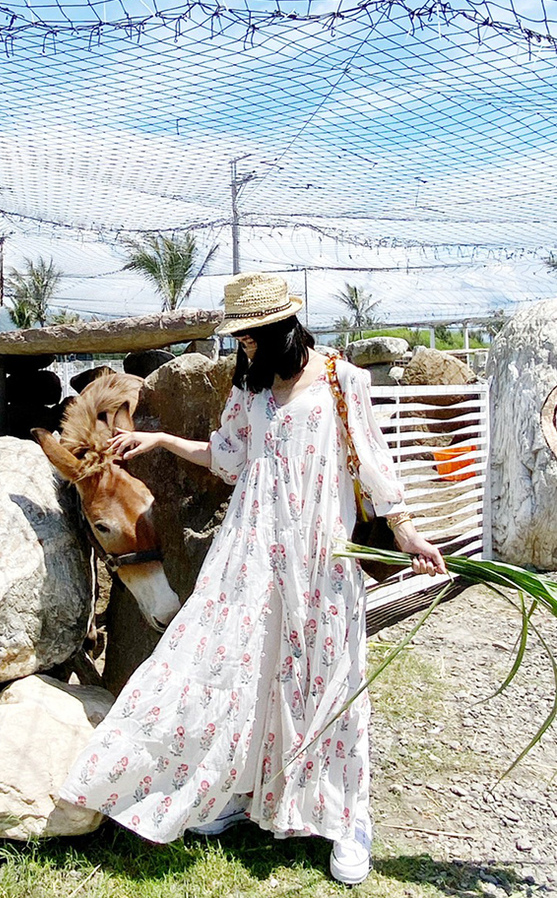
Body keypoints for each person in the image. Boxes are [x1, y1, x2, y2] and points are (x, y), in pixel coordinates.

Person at [59, 271, 445, 885]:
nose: (243, 349)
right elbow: (228, 458)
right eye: (241, 339)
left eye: (251, 338)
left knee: (331, 676)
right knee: (243, 666)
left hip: (322, 557)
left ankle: (349, 817)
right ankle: (246, 790)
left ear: (281, 330)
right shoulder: (252, 388)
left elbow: (373, 466)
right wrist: (160, 438)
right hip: (253, 551)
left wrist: (407, 534)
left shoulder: (342, 380)